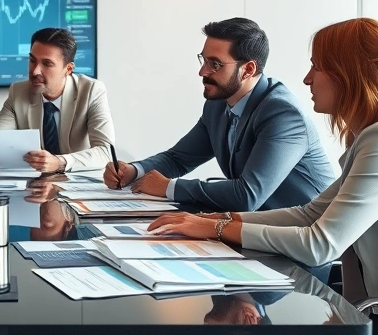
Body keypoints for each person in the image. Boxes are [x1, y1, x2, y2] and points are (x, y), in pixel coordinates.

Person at [148, 18, 378, 335]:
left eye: (317, 67)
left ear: (347, 75)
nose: (308, 79)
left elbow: (319, 244)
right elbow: (311, 212)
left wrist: (216, 228)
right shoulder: (374, 136)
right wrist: (219, 219)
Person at [103, 18, 334, 211]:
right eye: (203, 60)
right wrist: (134, 171)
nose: (202, 71)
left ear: (248, 69)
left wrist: (168, 187)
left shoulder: (282, 114)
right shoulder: (218, 104)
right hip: (252, 231)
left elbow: (247, 196)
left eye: (215, 64)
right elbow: (179, 158)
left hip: (298, 245)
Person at [0, 28, 116, 174]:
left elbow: (106, 152)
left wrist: (59, 162)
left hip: (78, 185)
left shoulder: (91, 91)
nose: (35, 71)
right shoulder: (19, 92)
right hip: (34, 189)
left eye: (47, 64)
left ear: (68, 69)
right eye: (32, 61)